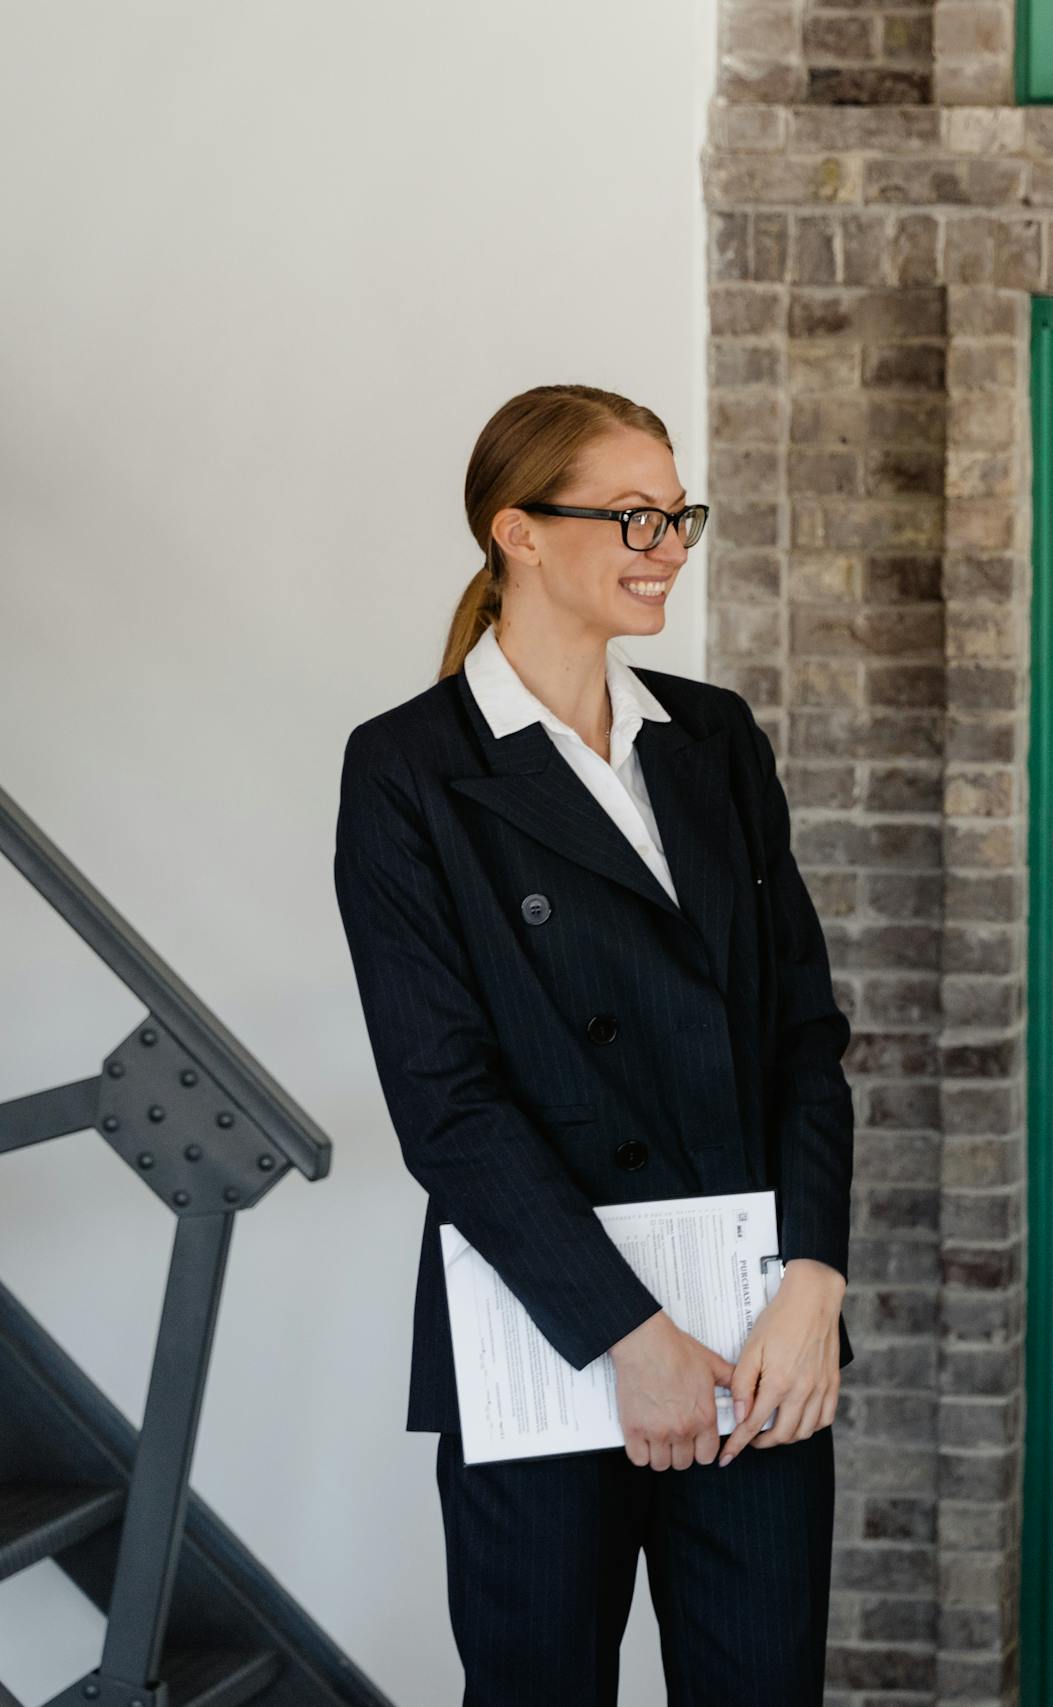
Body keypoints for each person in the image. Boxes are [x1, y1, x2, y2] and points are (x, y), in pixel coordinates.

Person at [333, 384, 853, 1705]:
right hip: (545, 1330)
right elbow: (447, 1101)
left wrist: (816, 1282)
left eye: (677, 512)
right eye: (631, 513)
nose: (668, 540)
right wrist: (629, 1331)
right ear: (517, 530)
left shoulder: (713, 737)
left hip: (753, 1332)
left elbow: (803, 1027)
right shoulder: (408, 768)